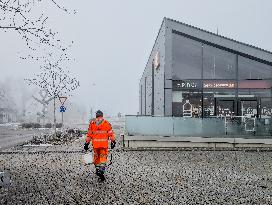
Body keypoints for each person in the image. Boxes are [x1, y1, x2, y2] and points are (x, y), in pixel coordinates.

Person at [84, 110, 116, 181]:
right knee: (103, 157)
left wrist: (86, 143)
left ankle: (98, 170)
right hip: (103, 145)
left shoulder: (92, 124)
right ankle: (101, 170)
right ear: (102, 115)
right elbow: (111, 133)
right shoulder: (106, 123)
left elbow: (89, 135)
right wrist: (113, 141)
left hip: (95, 145)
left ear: (96, 116)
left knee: (97, 157)